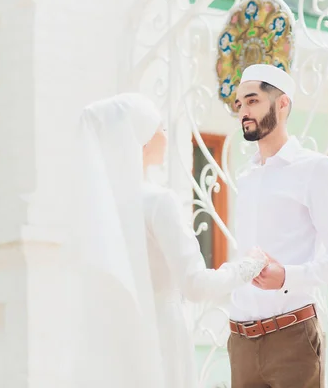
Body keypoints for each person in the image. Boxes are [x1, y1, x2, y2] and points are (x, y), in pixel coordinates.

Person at [69, 93, 269, 387]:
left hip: (118, 338)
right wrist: (250, 265)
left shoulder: (97, 209)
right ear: (142, 140)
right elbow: (196, 285)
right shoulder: (158, 202)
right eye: (160, 128)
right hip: (161, 336)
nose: (166, 135)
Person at [226, 64, 328, 388]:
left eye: (253, 101)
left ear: (282, 104)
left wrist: (288, 277)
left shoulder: (314, 169)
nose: (244, 111)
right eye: (240, 103)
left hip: (291, 339)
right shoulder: (246, 176)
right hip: (240, 339)